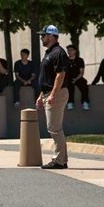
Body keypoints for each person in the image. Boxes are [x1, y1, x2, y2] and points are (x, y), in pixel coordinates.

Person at [36, 25, 70, 169]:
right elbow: (47, 77)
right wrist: (41, 95)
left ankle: (59, 160)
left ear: (51, 36)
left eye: (43, 35)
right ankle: (62, 159)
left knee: (55, 128)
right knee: (53, 128)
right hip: (48, 93)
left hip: (56, 93)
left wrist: (53, 95)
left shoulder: (58, 53)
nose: (41, 38)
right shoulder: (49, 53)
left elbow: (60, 75)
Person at [64, 46, 90, 110]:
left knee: (84, 84)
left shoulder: (79, 60)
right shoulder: (65, 60)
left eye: (71, 50)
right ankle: (70, 102)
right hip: (68, 78)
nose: (69, 51)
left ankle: (85, 102)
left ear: (75, 51)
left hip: (78, 77)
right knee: (69, 86)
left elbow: (81, 72)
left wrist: (76, 79)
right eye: (68, 50)